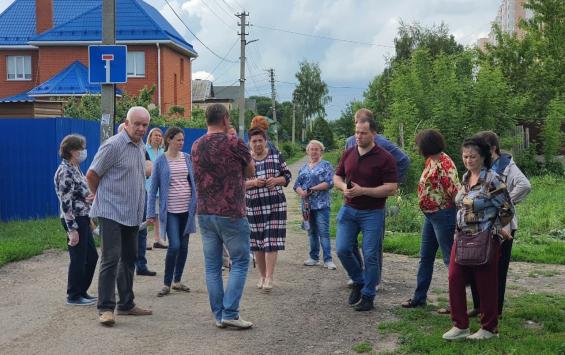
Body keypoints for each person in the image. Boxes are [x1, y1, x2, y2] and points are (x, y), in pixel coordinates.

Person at [86, 107, 153, 327]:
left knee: (130, 257)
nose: (141, 129)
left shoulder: (139, 145)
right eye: (137, 124)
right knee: (111, 258)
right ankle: (105, 308)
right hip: (111, 211)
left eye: (145, 125)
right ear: (127, 122)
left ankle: (126, 303)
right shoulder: (113, 145)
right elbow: (92, 174)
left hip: (132, 213)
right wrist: (99, 195)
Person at [442, 136, 514, 341]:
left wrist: (498, 228)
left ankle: (489, 328)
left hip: (485, 237)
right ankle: (460, 325)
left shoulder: (492, 179)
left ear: (483, 157)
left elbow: (507, 208)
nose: (468, 160)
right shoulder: (465, 178)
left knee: (485, 283)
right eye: (465, 156)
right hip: (462, 237)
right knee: (454, 278)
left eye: (473, 156)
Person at [192, 103, 255, 329]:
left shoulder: (196, 145)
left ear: (206, 120)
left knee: (212, 266)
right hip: (231, 212)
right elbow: (250, 172)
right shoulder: (234, 143)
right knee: (240, 261)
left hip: (205, 212)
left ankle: (219, 315)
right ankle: (231, 312)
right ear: (226, 119)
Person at [334, 114, 398, 312]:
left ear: (373, 134)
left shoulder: (385, 158)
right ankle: (359, 280)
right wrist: (344, 187)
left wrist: (364, 191)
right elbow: (337, 176)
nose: (358, 136)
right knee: (343, 249)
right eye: (356, 132)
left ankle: (369, 295)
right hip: (349, 209)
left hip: (373, 212)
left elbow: (391, 188)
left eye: (363, 133)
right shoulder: (349, 153)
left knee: (370, 254)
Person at [467, 131, 531, 318]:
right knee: (476, 264)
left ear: (492, 149)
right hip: (478, 225)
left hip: (502, 224)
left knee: (497, 269)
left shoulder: (507, 167)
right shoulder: (481, 166)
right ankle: (479, 306)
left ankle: (496, 310)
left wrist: (504, 202)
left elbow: (524, 185)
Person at [344, 108, 409, 287]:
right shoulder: (350, 142)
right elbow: (344, 167)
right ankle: (358, 273)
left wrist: (390, 183)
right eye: (356, 128)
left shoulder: (382, 143)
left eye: (361, 128)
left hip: (374, 198)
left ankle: (374, 279)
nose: (358, 134)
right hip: (351, 199)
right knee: (347, 241)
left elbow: (403, 160)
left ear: (370, 127)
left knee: (373, 243)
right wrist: (344, 185)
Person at [401, 129, 459, 309]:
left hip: (443, 216)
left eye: (419, 144)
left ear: (426, 145)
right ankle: (419, 298)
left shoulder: (445, 165)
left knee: (450, 260)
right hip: (431, 216)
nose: (417, 147)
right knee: (425, 257)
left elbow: (455, 194)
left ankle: (457, 303)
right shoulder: (431, 161)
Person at [148, 127, 197, 297]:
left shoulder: (188, 159)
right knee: (174, 245)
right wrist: (150, 214)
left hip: (187, 210)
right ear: (169, 140)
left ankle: (177, 281)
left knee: (183, 247)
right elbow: (153, 189)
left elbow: (193, 182)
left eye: (183, 140)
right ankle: (166, 283)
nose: (181, 143)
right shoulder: (161, 161)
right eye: (178, 140)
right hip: (170, 211)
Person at [245, 127, 292, 293]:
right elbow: (237, 184)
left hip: (275, 205)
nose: (257, 144)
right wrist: (253, 183)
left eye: (260, 140)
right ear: (249, 143)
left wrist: (277, 180)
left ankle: (270, 277)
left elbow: (287, 176)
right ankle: (262, 275)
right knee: (257, 244)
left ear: (265, 141)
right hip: (253, 207)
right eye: (254, 141)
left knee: (270, 241)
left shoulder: (275, 155)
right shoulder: (245, 159)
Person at [54, 134, 98, 306]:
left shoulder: (75, 168)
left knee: (92, 257)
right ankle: (73, 295)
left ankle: (82, 291)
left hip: (83, 218)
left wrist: (88, 198)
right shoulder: (65, 171)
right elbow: (65, 203)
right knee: (78, 258)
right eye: (81, 148)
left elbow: (78, 194)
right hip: (73, 220)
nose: (84, 151)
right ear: (73, 151)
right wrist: (72, 230)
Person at [293, 140, 336, 270]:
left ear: (321, 151)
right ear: (308, 151)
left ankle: (328, 259)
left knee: (324, 232)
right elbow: (296, 185)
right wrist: (302, 193)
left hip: (321, 205)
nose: (313, 152)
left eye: (316, 149)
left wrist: (312, 189)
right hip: (307, 206)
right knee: (311, 232)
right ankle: (314, 257)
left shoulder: (326, 165)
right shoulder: (304, 168)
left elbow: (329, 182)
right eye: (311, 149)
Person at [145, 127, 167, 249]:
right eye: (155, 135)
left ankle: (157, 239)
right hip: (147, 186)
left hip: (160, 187)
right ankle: (146, 240)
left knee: (158, 214)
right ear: (150, 137)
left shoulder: (163, 152)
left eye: (159, 135)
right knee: (148, 214)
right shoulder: (145, 149)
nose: (158, 137)